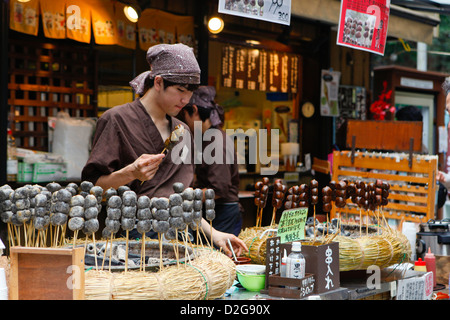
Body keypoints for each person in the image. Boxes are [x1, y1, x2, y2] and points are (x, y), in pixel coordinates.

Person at [81, 43, 247, 257]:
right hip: (132, 242)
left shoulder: (182, 130)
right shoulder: (116, 119)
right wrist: (130, 173)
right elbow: (94, 188)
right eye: (180, 91)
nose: (185, 100)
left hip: (179, 239)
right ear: (158, 82)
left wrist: (214, 234)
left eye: (190, 93)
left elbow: (179, 200)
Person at [177, 86, 242, 236]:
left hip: (223, 213)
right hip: (213, 211)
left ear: (194, 110)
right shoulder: (205, 138)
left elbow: (218, 189)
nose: (184, 121)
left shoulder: (216, 141)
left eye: (184, 114)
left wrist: (185, 197)